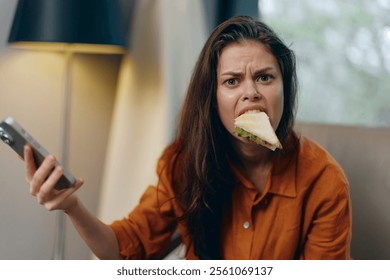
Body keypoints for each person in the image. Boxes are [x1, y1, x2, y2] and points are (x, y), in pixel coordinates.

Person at [24, 16, 352, 260]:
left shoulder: (324, 181)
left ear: (285, 88)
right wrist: (72, 207)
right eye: (232, 81)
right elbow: (124, 249)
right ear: (212, 97)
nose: (251, 93)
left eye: (265, 77)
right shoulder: (183, 163)